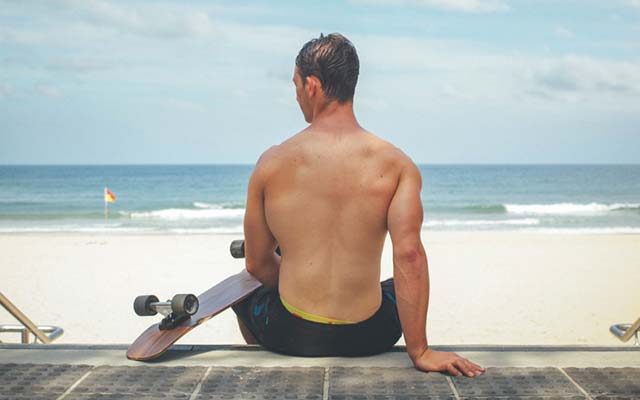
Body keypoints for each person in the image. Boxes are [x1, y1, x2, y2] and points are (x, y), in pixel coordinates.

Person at [232, 33, 485, 377]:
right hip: (369, 334)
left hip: (290, 334)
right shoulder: (397, 164)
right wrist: (420, 351)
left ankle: (268, 366)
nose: (296, 96)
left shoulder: (271, 163)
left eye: (295, 85)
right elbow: (410, 255)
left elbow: (258, 264)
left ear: (311, 86)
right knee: (394, 286)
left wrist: (296, 279)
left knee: (244, 294)